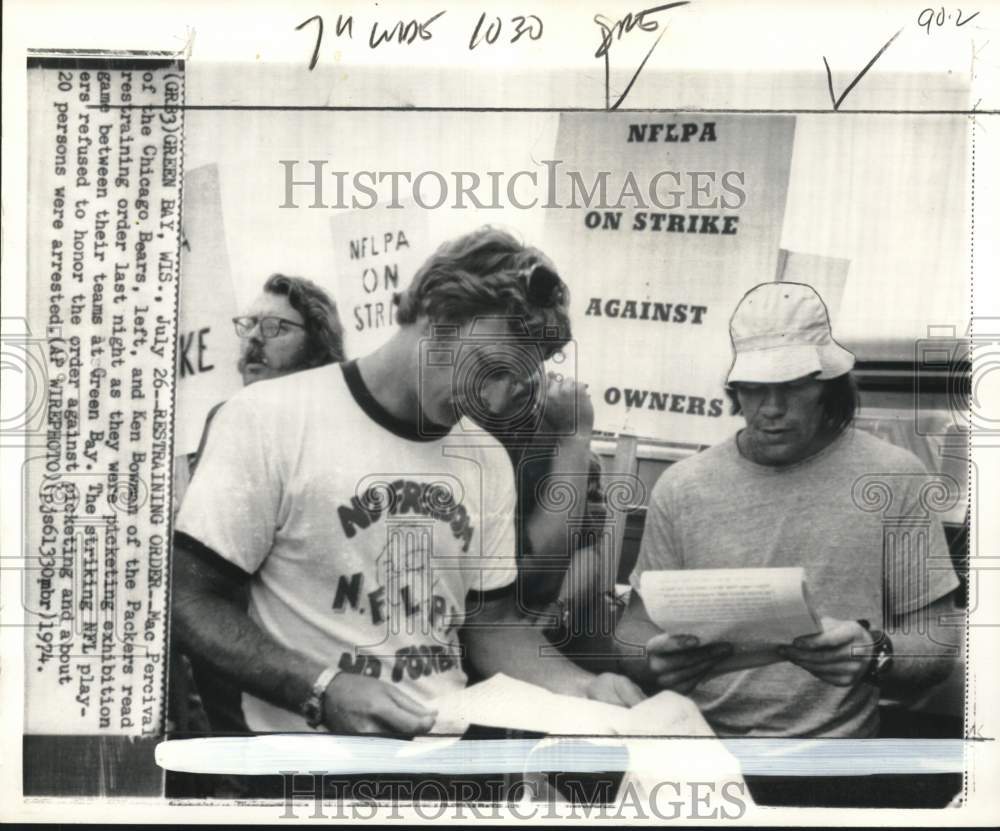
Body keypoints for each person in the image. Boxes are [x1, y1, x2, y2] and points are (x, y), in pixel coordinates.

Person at [171, 228, 643, 756]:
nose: (490, 398)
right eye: (487, 369)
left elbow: (495, 626)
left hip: (442, 762)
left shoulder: (484, 457)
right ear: (435, 316)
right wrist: (320, 688)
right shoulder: (268, 418)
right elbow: (188, 599)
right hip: (303, 771)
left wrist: (581, 688)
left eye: (514, 382)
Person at [613, 281, 961, 746]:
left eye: (793, 387)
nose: (772, 409)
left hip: (828, 756)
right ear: (735, 388)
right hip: (695, 746)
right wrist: (649, 660)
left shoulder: (896, 478)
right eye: (754, 390)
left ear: (826, 386)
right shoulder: (682, 485)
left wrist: (876, 654)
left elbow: (937, 641)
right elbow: (635, 627)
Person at [169, 273, 346, 775]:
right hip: (241, 670)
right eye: (248, 325)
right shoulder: (231, 415)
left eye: (274, 328)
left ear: (318, 346)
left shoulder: (337, 423)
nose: (252, 339)